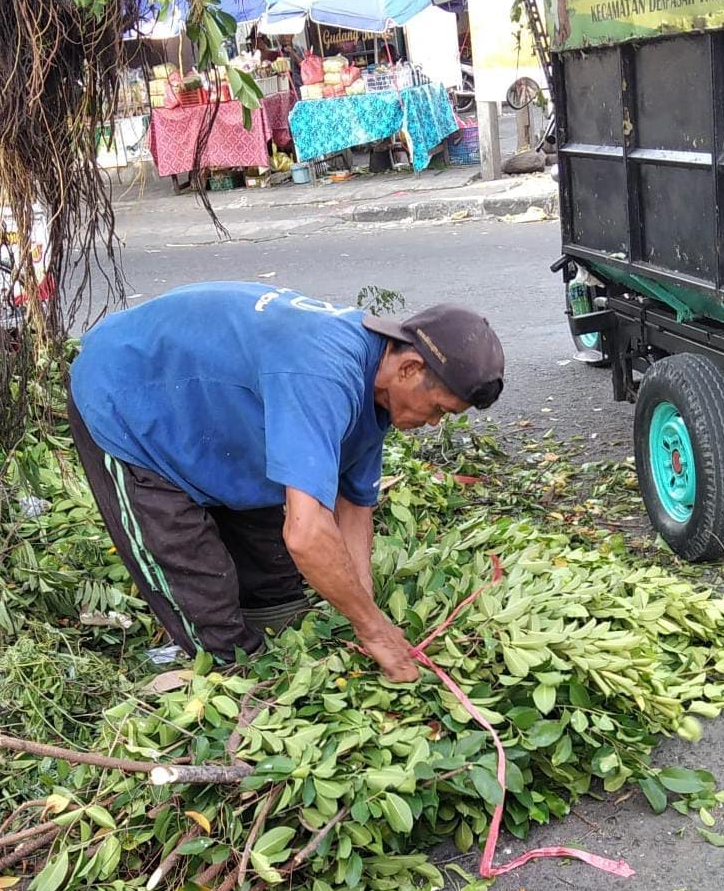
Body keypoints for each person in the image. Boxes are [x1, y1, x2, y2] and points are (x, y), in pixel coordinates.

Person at [67, 284, 504, 682]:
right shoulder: (323, 373)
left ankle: (266, 650)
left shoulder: (378, 387)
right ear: (409, 368)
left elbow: (352, 506)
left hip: (218, 416)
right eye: (439, 409)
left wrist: (365, 612)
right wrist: (372, 630)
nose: (432, 423)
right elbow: (306, 533)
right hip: (131, 397)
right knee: (205, 605)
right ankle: (227, 685)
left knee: (277, 595)